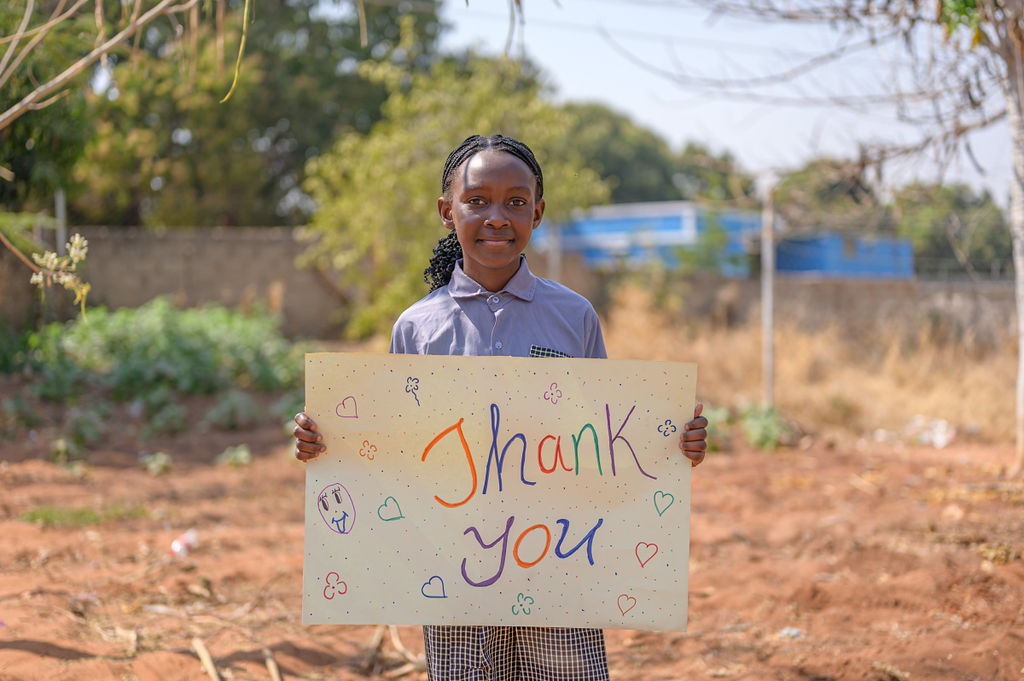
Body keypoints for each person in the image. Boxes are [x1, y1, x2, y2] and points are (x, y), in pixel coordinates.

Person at [293, 133, 708, 681]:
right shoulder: (417, 327)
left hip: (558, 559)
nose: (497, 216)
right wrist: (329, 444)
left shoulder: (574, 316)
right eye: (477, 200)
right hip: (451, 563)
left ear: (537, 213)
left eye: (516, 201)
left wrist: (670, 445)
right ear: (448, 211)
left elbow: (607, 439)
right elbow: (392, 446)